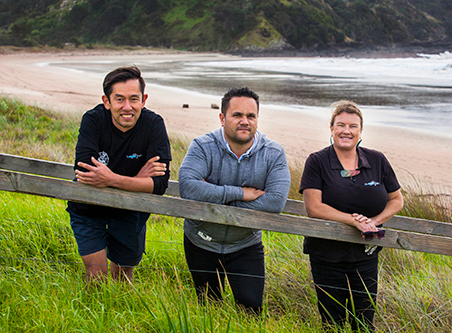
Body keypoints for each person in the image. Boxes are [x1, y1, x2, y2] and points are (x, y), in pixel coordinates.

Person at [179, 87, 291, 313]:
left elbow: (276, 202)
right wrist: (239, 193)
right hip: (201, 239)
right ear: (222, 118)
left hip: (245, 243)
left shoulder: (273, 153)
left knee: (251, 308)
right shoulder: (202, 146)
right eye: (237, 115)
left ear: (257, 119)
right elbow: (188, 187)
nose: (245, 121)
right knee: (208, 308)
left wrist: (213, 195)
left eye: (251, 116)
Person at [299, 101, 403, 331]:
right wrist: (354, 221)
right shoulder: (317, 161)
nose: (347, 131)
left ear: (360, 131)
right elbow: (313, 208)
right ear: (331, 128)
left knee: (364, 323)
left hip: (366, 255)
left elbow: (397, 200)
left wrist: (373, 222)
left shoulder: (377, 160)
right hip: (326, 254)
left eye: (353, 126)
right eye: (341, 125)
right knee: (332, 322)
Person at [67, 66, 171, 282]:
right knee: (97, 277)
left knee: (123, 277)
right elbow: (86, 172)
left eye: (134, 99)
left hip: (130, 210)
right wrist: (139, 179)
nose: (127, 107)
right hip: (88, 207)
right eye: (119, 99)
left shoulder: (153, 124)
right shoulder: (93, 120)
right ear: (107, 101)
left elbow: (160, 184)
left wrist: (110, 178)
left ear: (144, 100)